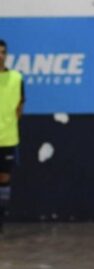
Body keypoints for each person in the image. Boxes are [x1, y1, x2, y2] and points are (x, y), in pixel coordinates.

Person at [0, 39, 24, 234]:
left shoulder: (16, 78)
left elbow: (19, 107)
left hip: (8, 139)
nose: (0, 55)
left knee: (4, 181)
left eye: (2, 52)